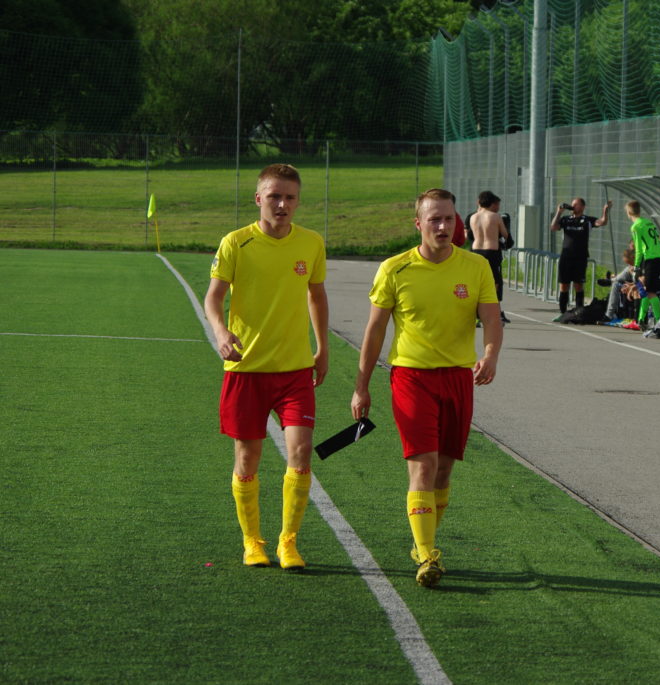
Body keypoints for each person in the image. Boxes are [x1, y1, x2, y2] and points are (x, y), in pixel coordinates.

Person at [351, 188, 503, 588]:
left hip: (458, 378)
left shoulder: (475, 266)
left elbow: (491, 319)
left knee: (445, 470)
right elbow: (375, 330)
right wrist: (361, 386)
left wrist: (490, 355)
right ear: (418, 224)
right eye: (434, 219)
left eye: (449, 219)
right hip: (411, 377)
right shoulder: (394, 268)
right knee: (423, 465)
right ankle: (427, 555)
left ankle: (423, 543)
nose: (442, 226)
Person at [203, 163, 329, 571]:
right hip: (246, 369)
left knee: (302, 451)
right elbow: (213, 298)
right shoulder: (236, 243)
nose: (282, 204)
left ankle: (288, 543)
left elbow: (316, 296)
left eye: (290, 197)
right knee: (248, 458)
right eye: (274, 196)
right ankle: (252, 541)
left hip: (294, 370)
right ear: (258, 198)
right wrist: (221, 332)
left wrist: (323, 347)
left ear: (298, 201)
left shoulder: (311, 243)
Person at [550, 197, 611, 317]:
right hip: (566, 257)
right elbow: (553, 227)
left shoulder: (587, 220)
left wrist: (605, 211)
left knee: (578, 285)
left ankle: (579, 312)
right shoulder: (566, 219)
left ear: (583, 207)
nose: (573, 206)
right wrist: (559, 212)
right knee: (564, 285)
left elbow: (602, 222)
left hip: (580, 258)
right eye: (572, 204)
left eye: (576, 204)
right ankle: (563, 312)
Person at [470, 190, 512, 324]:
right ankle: (491, 311)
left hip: (476, 250)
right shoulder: (495, 216)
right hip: (491, 251)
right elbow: (505, 235)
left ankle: (476, 313)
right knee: (495, 282)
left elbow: (471, 235)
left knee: (478, 281)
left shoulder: (473, 217)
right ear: (491, 202)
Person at [626, 201, 660, 328]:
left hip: (651, 259)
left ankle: (659, 323)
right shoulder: (648, 222)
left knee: (650, 292)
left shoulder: (636, 226)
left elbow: (639, 249)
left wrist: (636, 267)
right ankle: (641, 319)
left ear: (629, 212)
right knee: (646, 289)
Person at [602, 245, 636, 324]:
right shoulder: (631, 266)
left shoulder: (640, 263)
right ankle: (609, 315)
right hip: (631, 283)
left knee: (617, 283)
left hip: (639, 286)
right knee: (617, 284)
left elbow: (640, 280)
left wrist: (631, 284)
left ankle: (611, 281)